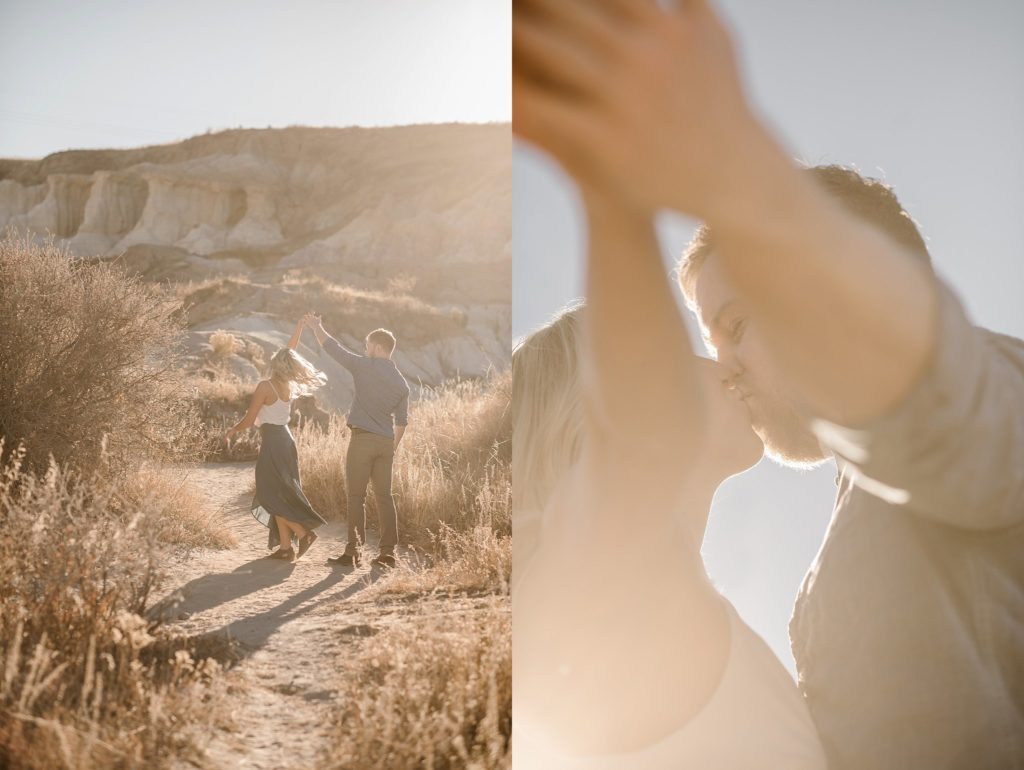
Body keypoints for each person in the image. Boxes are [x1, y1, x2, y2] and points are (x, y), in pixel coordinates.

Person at [513, 1, 1024, 768]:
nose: (724, 364)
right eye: (704, 340)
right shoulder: (765, 602)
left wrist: (739, 177)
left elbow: (946, 411)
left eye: (739, 325)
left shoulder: (987, 388)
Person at [304, 312, 410, 569]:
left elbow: (333, 348)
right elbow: (402, 422)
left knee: (356, 497)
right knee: (385, 497)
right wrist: (391, 448)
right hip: (386, 443)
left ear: (376, 346)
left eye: (366, 344)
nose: (365, 348)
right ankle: (388, 554)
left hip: (362, 441)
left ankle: (353, 553)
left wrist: (317, 325)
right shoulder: (401, 383)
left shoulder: (364, 365)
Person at [225, 317, 329, 561]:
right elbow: (289, 352)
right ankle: (285, 549)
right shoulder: (288, 384)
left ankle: (302, 534)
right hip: (286, 439)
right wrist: (299, 327)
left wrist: (231, 431)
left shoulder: (265, 386)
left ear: (275, 364)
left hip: (273, 441)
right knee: (279, 494)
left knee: (269, 494)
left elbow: (250, 421)